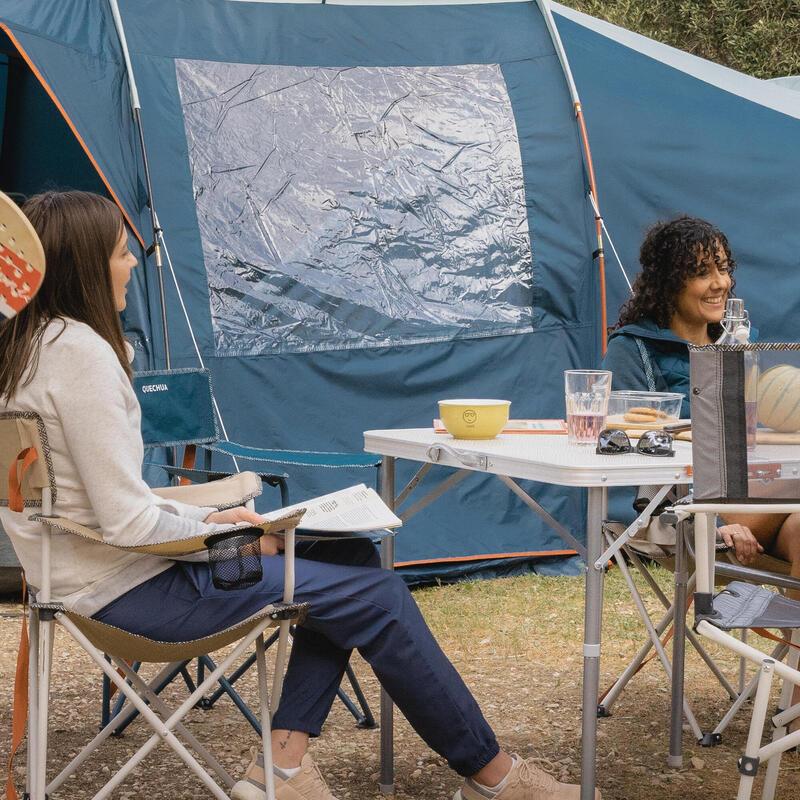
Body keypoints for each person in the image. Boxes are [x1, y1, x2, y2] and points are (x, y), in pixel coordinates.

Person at [0, 190, 600, 800]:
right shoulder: (81, 357)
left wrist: (212, 518)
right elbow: (127, 521)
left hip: (99, 577)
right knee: (382, 595)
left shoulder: (31, 349)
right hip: (139, 594)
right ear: (85, 269)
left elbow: (105, 503)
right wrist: (234, 537)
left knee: (352, 558)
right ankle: (495, 778)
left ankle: (281, 767)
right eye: (122, 254)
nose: (132, 265)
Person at [603, 215, 799, 576]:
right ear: (668, 283)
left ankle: (789, 634)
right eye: (701, 272)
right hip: (686, 511)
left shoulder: (741, 344)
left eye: (723, 269)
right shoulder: (634, 349)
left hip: (763, 493)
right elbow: (623, 442)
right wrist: (709, 514)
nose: (720, 283)